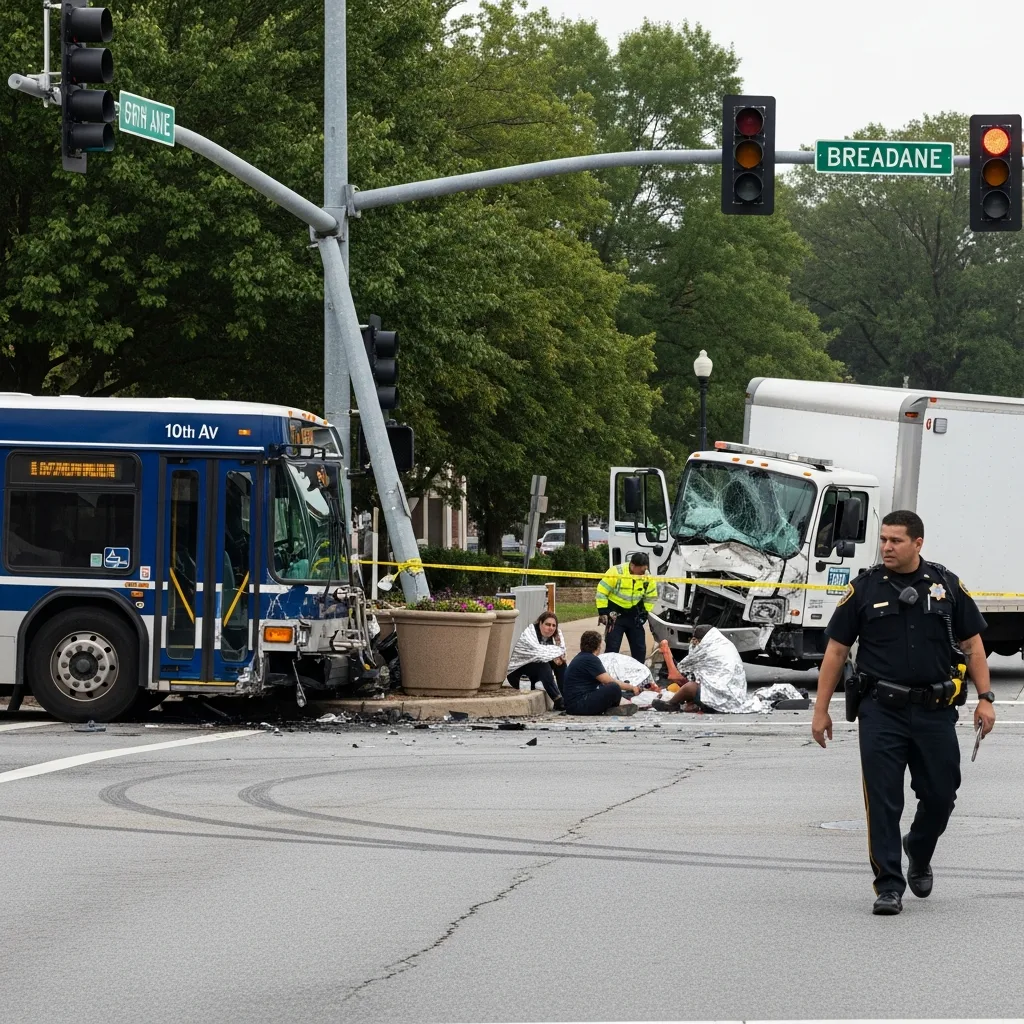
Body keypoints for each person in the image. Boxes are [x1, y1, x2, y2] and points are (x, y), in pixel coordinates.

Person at [811, 509, 995, 916]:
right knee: (883, 800)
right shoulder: (864, 589)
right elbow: (836, 652)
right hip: (881, 711)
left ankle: (920, 847)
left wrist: (985, 697)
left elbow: (973, 645)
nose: (887, 547)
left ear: (918, 543)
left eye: (895, 540)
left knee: (941, 796)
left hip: (935, 711)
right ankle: (888, 885)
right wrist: (820, 710)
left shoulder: (946, 586)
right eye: (883, 539)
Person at [650, 625, 759, 713]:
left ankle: (671, 704)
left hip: (718, 702)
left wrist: (667, 653)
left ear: (701, 639)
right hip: (735, 698)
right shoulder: (725, 645)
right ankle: (690, 703)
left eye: (695, 640)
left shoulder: (705, 649)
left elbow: (680, 671)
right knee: (696, 682)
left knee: (690, 686)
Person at [562, 630, 642, 715]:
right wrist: (632, 687)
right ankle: (613, 709)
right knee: (614, 688)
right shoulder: (590, 659)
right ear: (598, 646)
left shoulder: (581, 657)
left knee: (613, 688)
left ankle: (617, 705)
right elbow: (610, 681)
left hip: (573, 705)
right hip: (578, 705)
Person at [596, 552, 658, 662]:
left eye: (645, 570)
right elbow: (602, 591)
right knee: (612, 649)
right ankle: (609, 676)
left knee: (640, 649)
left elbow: (651, 596)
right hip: (615, 615)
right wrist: (603, 611)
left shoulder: (647, 577)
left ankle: (639, 674)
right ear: (633, 566)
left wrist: (644, 613)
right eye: (641, 571)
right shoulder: (616, 572)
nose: (643, 573)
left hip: (634, 615)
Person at [506, 611, 567, 710]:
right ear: (540, 623)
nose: (551, 628)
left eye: (553, 625)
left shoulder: (557, 636)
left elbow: (562, 653)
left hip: (536, 675)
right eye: (547, 624)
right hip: (518, 676)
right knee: (542, 662)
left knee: (561, 663)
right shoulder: (530, 633)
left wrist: (556, 654)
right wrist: (555, 651)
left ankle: (566, 697)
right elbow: (538, 652)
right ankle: (558, 700)